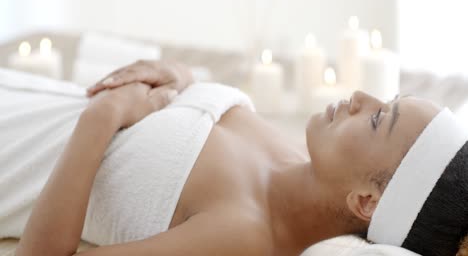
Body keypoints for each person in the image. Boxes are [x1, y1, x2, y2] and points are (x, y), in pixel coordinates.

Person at [2, 60, 464, 256]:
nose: (360, 96)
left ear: (367, 201)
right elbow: (190, 114)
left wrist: (103, 117)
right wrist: (176, 75)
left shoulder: (243, 235)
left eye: (378, 119)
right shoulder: (290, 157)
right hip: (25, 94)